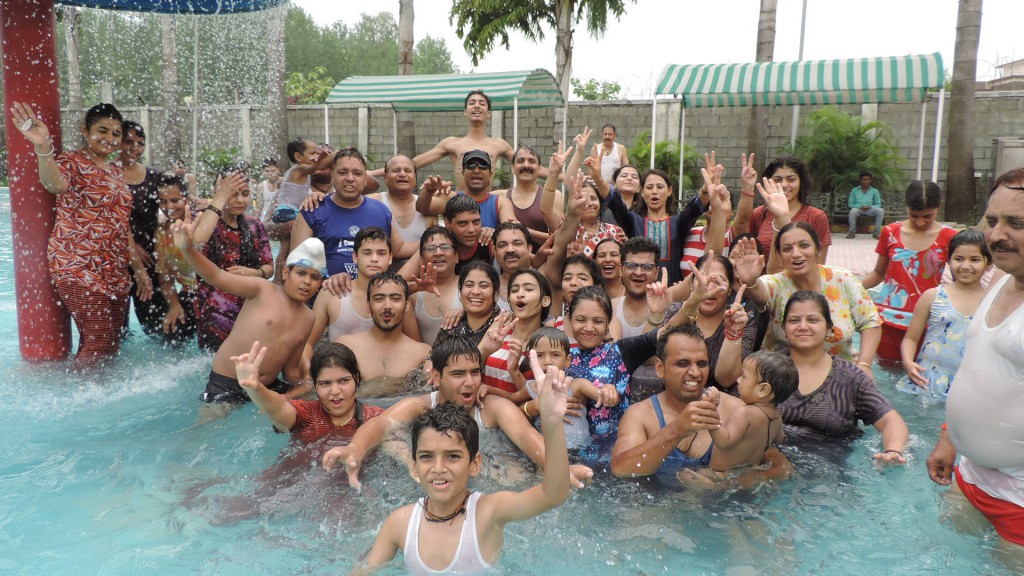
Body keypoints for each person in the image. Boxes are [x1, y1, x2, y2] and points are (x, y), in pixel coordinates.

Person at [353, 352, 571, 574]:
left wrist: (552, 423)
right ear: (414, 464)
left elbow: (554, 494)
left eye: (453, 456)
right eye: (427, 456)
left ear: (475, 464)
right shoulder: (399, 523)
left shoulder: (489, 513)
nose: (439, 468)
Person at [322, 334, 593, 490]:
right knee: (394, 442)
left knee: (516, 475)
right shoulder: (421, 406)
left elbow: (525, 437)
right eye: (458, 374)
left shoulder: (492, 409)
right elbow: (380, 424)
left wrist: (559, 468)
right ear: (437, 377)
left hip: (489, 477)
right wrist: (355, 450)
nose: (470, 382)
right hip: (437, 482)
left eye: (475, 372)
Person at [9, 101, 152, 366]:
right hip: (78, 265)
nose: (110, 138)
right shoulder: (72, 161)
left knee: (111, 343)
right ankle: (80, 396)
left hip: (114, 270)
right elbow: (54, 184)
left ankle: (101, 396)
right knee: (97, 340)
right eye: (102, 130)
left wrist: (139, 270)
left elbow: (122, 224)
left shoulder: (115, 171)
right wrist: (42, 146)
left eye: (116, 133)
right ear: (85, 130)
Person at [927, 168, 1024, 549]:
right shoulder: (999, 279)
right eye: (993, 220)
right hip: (969, 476)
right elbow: (975, 368)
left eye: (1016, 222)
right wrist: (950, 437)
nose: (997, 234)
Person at [174, 206, 325, 406]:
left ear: (320, 283)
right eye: (301, 274)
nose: (307, 282)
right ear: (286, 273)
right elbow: (216, 276)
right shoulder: (262, 290)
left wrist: (307, 383)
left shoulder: (308, 318)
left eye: (314, 277)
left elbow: (290, 371)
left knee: (316, 403)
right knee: (208, 425)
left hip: (266, 386)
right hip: (228, 381)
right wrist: (187, 248)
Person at [776, 290, 908, 461]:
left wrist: (893, 451)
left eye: (812, 320)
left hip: (826, 474)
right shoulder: (769, 368)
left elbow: (892, 421)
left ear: (829, 329)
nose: (802, 326)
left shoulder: (850, 378)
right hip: (772, 464)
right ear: (784, 329)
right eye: (794, 320)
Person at [732, 221, 881, 371]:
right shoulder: (777, 284)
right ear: (780, 255)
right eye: (787, 249)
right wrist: (751, 281)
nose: (796, 254)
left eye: (804, 245)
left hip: (842, 375)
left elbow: (871, 322)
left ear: (817, 249)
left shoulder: (843, 279)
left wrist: (865, 365)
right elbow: (761, 292)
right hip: (784, 377)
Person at [610, 324, 754, 477]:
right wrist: (677, 430)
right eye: (682, 364)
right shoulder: (640, 415)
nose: (695, 372)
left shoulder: (736, 410)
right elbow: (620, 469)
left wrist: (722, 485)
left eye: (702, 364)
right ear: (660, 368)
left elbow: (774, 468)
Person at [861, 180, 958, 362]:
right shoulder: (890, 232)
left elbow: (958, 284)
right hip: (887, 321)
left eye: (927, 216)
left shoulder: (950, 237)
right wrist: (850, 287)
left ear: (939, 207)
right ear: (906, 207)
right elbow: (878, 274)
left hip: (926, 322)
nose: (920, 222)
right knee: (886, 371)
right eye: (914, 216)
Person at [233, 340, 384, 446]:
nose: (335, 391)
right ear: (315, 385)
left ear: (356, 379)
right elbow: (277, 407)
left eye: (343, 381)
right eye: (325, 383)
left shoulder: (373, 418)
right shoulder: (305, 415)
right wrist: (256, 388)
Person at [291, 147, 411, 279]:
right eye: (343, 172)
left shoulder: (381, 210)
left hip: (371, 296)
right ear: (333, 176)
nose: (350, 178)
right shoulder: (312, 209)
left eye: (357, 173)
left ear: (365, 179)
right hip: (326, 295)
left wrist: (432, 243)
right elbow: (296, 264)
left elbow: (399, 249)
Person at [898, 230, 991, 397]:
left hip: (967, 385)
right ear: (949, 261)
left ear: (988, 263)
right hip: (926, 380)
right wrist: (907, 362)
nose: (965, 266)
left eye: (975, 259)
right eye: (959, 259)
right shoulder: (932, 296)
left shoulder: (991, 302)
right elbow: (911, 338)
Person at [190, 168, 274, 351]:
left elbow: (269, 267)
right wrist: (219, 198)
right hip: (214, 312)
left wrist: (255, 272)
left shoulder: (254, 225)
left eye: (244, 194)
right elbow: (197, 241)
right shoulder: (204, 220)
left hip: (249, 307)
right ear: (217, 193)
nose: (239, 200)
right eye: (232, 194)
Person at [597, 163, 708, 285]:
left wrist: (705, 189)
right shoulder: (633, 220)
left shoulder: (678, 222)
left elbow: (694, 208)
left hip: (672, 292)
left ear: (669, 191)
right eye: (649, 187)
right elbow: (615, 202)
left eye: (660, 187)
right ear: (642, 192)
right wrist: (597, 177)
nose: (654, 191)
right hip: (638, 291)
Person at [305, 226, 393, 368]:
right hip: (339, 377)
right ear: (355, 257)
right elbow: (307, 343)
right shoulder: (331, 293)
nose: (374, 259)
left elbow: (411, 342)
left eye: (381, 253)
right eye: (367, 253)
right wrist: (310, 375)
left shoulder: (397, 297)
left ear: (390, 258)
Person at [520, 327, 618, 450]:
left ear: (568, 361)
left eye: (555, 355)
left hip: (579, 449)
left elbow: (605, 397)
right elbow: (509, 403)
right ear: (531, 361)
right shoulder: (531, 387)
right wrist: (533, 405)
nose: (547, 361)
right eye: (539, 355)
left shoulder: (577, 386)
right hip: (545, 449)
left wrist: (609, 389)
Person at [402, 90, 516, 191]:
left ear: (489, 113)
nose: (477, 106)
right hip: (459, 206)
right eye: (472, 103)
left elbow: (526, 162)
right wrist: (386, 171)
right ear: (465, 112)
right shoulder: (452, 143)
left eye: (482, 103)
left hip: (486, 205)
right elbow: (414, 164)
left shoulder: (498, 144)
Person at [704, 351, 797, 473]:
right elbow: (779, 440)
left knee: (684, 476)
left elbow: (724, 442)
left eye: (743, 376)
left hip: (719, 476)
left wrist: (711, 411)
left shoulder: (745, 413)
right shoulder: (776, 418)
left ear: (763, 389)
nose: (738, 380)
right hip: (746, 476)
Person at [335, 273, 432, 383]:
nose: (387, 306)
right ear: (368, 305)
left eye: (395, 299)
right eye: (379, 299)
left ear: (407, 305)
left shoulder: (423, 354)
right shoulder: (345, 346)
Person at [119, 120, 167, 338]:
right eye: (128, 142)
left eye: (140, 143)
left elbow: (169, 208)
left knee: (154, 324)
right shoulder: (107, 175)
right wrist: (132, 249)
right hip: (116, 257)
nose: (134, 148)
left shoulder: (154, 176)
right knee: (118, 328)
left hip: (149, 258)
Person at [747, 156, 832, 271]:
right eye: (777, 180)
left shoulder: (816, 216)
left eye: (791, 179)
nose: (784, 185)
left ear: (801, 182)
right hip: (764, 285)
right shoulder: (759, 214)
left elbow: (819, 267)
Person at [415, 149, 517, 230]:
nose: (476, 170)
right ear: (463, 174)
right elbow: (422, 208)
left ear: (490, 176)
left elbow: (510, 229)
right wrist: (429, 191)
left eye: (483, 166)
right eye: (471, 165)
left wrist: (493, 234)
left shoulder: (500, 203)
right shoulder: (451, 198)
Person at [366, 154, 435, 272]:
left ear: (415, 177)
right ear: (385, 178)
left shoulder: (427, 207)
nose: (402, 174)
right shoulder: (372, 202)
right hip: (377, 279)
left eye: (408, 170)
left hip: (418, 281)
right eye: (396, 170)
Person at [153, 173, 198, 346]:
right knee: (172, 338)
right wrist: (174, 305)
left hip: (217, 293)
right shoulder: (162, 232)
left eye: (175, 200)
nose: (168, 206)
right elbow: (164, 276)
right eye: (163, 201)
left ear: (186, 199)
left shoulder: (201, 222)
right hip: (190, 294)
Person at [407, 226, 463, 345]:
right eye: (431, 248)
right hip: (424, 360)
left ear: (456, 256)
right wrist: (415, 288)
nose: (438, 253)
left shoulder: (469, 289)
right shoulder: (413, 296)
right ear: (421, 259)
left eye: (445, 247)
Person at [504, 145, 561, 248]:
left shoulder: (555, 196)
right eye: (520, 161)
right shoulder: (501, 197)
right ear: (512, 168)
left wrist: (526, 231)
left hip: (546, 262)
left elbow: (560, 237)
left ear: (539, 169)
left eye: (532, 161)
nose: (526, 165)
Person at [438, 261, 503, 346]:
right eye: (469, 285)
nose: (475, 291)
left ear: (496, 293)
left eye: (484, 286)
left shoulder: (505, 325)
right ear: (460, 292)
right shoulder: (451, 325)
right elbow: (432, 358)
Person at [846, 171, 885, 239]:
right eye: (864, 179)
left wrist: (871, 207)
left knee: (880, 211)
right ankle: (852, 233)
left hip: (870, 209)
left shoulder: (875, 191)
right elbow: (851, 204)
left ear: (870, 180)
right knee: (852, 211)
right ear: (861, 180)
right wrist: (859, 207)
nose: (866, 181)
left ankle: (876, 233)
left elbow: (878, 204)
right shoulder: (854, 190)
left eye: (868, 179)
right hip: (858, 209)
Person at [253, 157, 280, 221]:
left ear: (278, 169)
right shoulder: (261, 186)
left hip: (280, 217)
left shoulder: (284, 183)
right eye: (267, 171)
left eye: (273, 170)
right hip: (265, 219)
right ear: (263, 172)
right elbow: (259, 208)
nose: (270, 174)